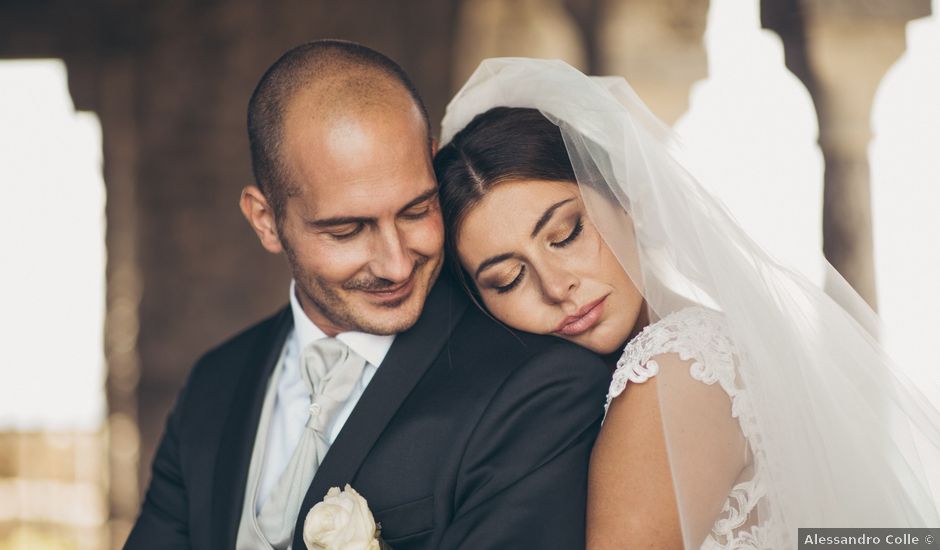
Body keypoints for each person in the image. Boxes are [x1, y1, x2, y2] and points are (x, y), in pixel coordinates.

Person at [434, 58, 940, 549]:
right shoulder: (723, 348)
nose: (555, 285)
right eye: (508, 278)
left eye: (565, 234)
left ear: (623, 196)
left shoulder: (678, 365)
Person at [124, 43, 609, 550]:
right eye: (347, 230)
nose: (396, 263)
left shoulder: (542, 386)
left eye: (416, 210)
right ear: (266, 221)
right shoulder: (214, 383)